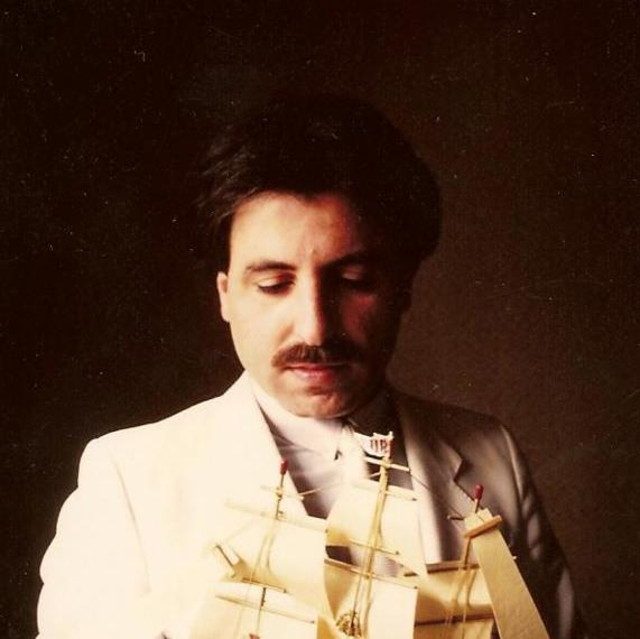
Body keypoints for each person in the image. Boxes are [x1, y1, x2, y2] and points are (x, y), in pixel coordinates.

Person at [37, 96, 585, 638]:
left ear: (403, 288)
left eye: (353, 282)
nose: (316, 329)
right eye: (274, 285)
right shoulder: (129, 479)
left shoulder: (493, 455)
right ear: (226, 294)